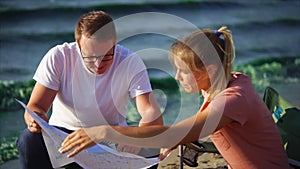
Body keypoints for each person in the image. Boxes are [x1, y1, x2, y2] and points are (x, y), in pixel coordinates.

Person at [59, 26, 290, 169]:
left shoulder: (231, 100)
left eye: (183, 71)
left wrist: (104, 131)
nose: (177, 77)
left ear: (209, 70)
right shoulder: (228, 81)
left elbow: (172, 134)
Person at [16, 10, 163, 169]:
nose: (99, 64)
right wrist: (34, 120)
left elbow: (150, 113)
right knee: (28, 139)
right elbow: (36, 106)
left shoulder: (130, 62)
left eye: (107, 56)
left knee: (156, 144)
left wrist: (136, 139)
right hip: (65, 139)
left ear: (115, 42)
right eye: (91, 57)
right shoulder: (59, 56)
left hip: (110, 138)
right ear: (78, 44)